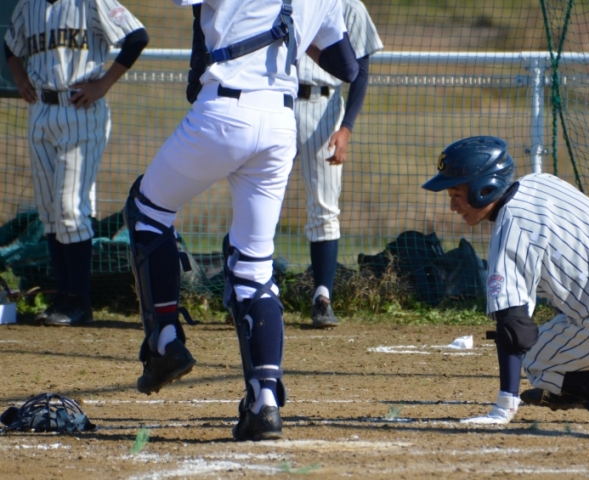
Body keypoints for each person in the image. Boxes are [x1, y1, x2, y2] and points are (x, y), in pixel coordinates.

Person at [123, 0, 358, 442]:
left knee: (148, 210)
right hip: (280, 123)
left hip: (224, 112)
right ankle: (264, 403)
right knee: (254, 265)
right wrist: (291, 34)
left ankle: (164, 341)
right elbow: (346, 65)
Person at [421, 136, 589, 425]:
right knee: (558, 327)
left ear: (483, 189)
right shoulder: (542, 181)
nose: (453, 206)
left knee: (536, 361)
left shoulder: (511, 229)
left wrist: (504, 406)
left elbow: (515, 330)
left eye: (456, 194)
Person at [4, 0, 149, 326]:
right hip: (41, 109)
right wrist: (19, 77)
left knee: (70, 207)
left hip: (80, 110)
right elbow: (10, 46)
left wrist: (103, 84)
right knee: (49, 211)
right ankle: (63, 299)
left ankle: (80, 301)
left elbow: (137, 36)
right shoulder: (28, 4)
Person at [294, 0, 383, 328]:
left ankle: (322, 297)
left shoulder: (350, 6)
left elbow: (360, 72)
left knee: (324, 206)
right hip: (276, 97)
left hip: (323, 104)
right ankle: (244, 291)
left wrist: (346, 127)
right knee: (254, 194)